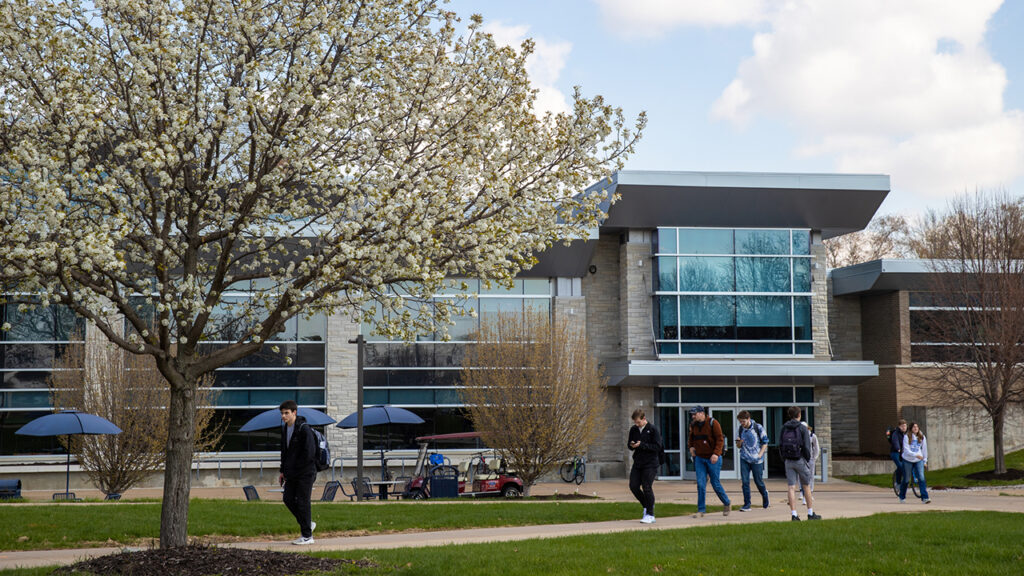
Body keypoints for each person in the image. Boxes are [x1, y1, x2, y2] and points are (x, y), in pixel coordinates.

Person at [278, 400, 318, 545]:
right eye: (282, 413)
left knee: (302, 502)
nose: (283, 416)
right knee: (287, 499)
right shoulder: (284, 429)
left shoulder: (303, 429)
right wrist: (282, 471)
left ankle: (307, 536)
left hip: (305, 472)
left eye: (286, 413)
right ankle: (307, 523)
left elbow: (309, 453)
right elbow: (285, 453)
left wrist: (297, 470)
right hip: (291, 473)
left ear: (294, 412)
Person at [688, 405, 731, 517]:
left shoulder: (713, 423)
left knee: (715, 483)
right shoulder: (693, 425)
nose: (693, 416)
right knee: (701, 484)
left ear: (702, 413)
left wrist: (716, 454)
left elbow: (720, 440)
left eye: (695, 414)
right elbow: (691, 439)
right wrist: (691, 447)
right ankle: (701, 510)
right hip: (699, 458)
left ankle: (726, 503)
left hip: (713, 458)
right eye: (692, 414)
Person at [781, 406, 820, 521]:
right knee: (806, 486)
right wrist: (807, 460)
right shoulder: (802, 428)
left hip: (788, 461)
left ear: (789, 415)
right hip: (800, 460)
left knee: (791, 487)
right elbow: (807, 448)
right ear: (799, 415)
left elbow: (780, 445)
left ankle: (794, 514)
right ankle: (810, 513)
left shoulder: (784, 428)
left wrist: (785, 459)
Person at [627, 408, 663, 524]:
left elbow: (657, 446)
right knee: (633, 486)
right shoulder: (633, 430)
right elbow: (629, 444)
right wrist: (632, 445)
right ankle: (647, 506)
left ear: (644, 419)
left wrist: (642, 445)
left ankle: (650, 514)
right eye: (635, 422)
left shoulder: (653, 430)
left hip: (650, 463)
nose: (637, 425)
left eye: (638, 422)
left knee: (647, 486)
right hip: (638, 462)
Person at [735, 410, 770, 511]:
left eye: (743, 421)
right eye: (740, 422)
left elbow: (765, 442)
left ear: (748, 419)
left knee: (758, 481)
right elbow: (738, 446)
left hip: (756, 460)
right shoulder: (740, 429)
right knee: (745, 482)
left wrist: (760, 455)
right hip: (744, 458)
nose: (742, 424)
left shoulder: (758, 427)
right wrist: (739, 443)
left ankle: (764, 494)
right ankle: (747, 504)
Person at [900, 422, 931, 504]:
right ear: (911, 428)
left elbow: (924, 449)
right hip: (907, 460)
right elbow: (906, 450)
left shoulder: (922, 437)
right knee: (906, 479)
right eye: (914, 427)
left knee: (921, 477)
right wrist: (915, 455)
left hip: (918, 460)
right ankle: (902, 496)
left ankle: (925, 497)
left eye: (917, 427)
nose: (916, 428)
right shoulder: (906, 437)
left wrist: (925, 461)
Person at [797, 422, 819, 503]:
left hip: (810, 459)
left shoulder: (812, 436)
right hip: (800, 458)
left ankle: (810, 492)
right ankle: (801, 492)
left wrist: (814, 458)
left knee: (810, 476)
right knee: (800, 475)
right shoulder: (798, 436)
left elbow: (816, 447)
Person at [889, 419, 907, 491]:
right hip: (895, 453)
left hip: (904, 453)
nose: (904, 427)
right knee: (900, 466)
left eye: (905, 426)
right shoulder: (896, 433)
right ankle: (898, 483)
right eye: (902, 426)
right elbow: (895, 441)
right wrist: (898, 448)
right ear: (899, 426)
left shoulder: (907, 433)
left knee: (904, 466)